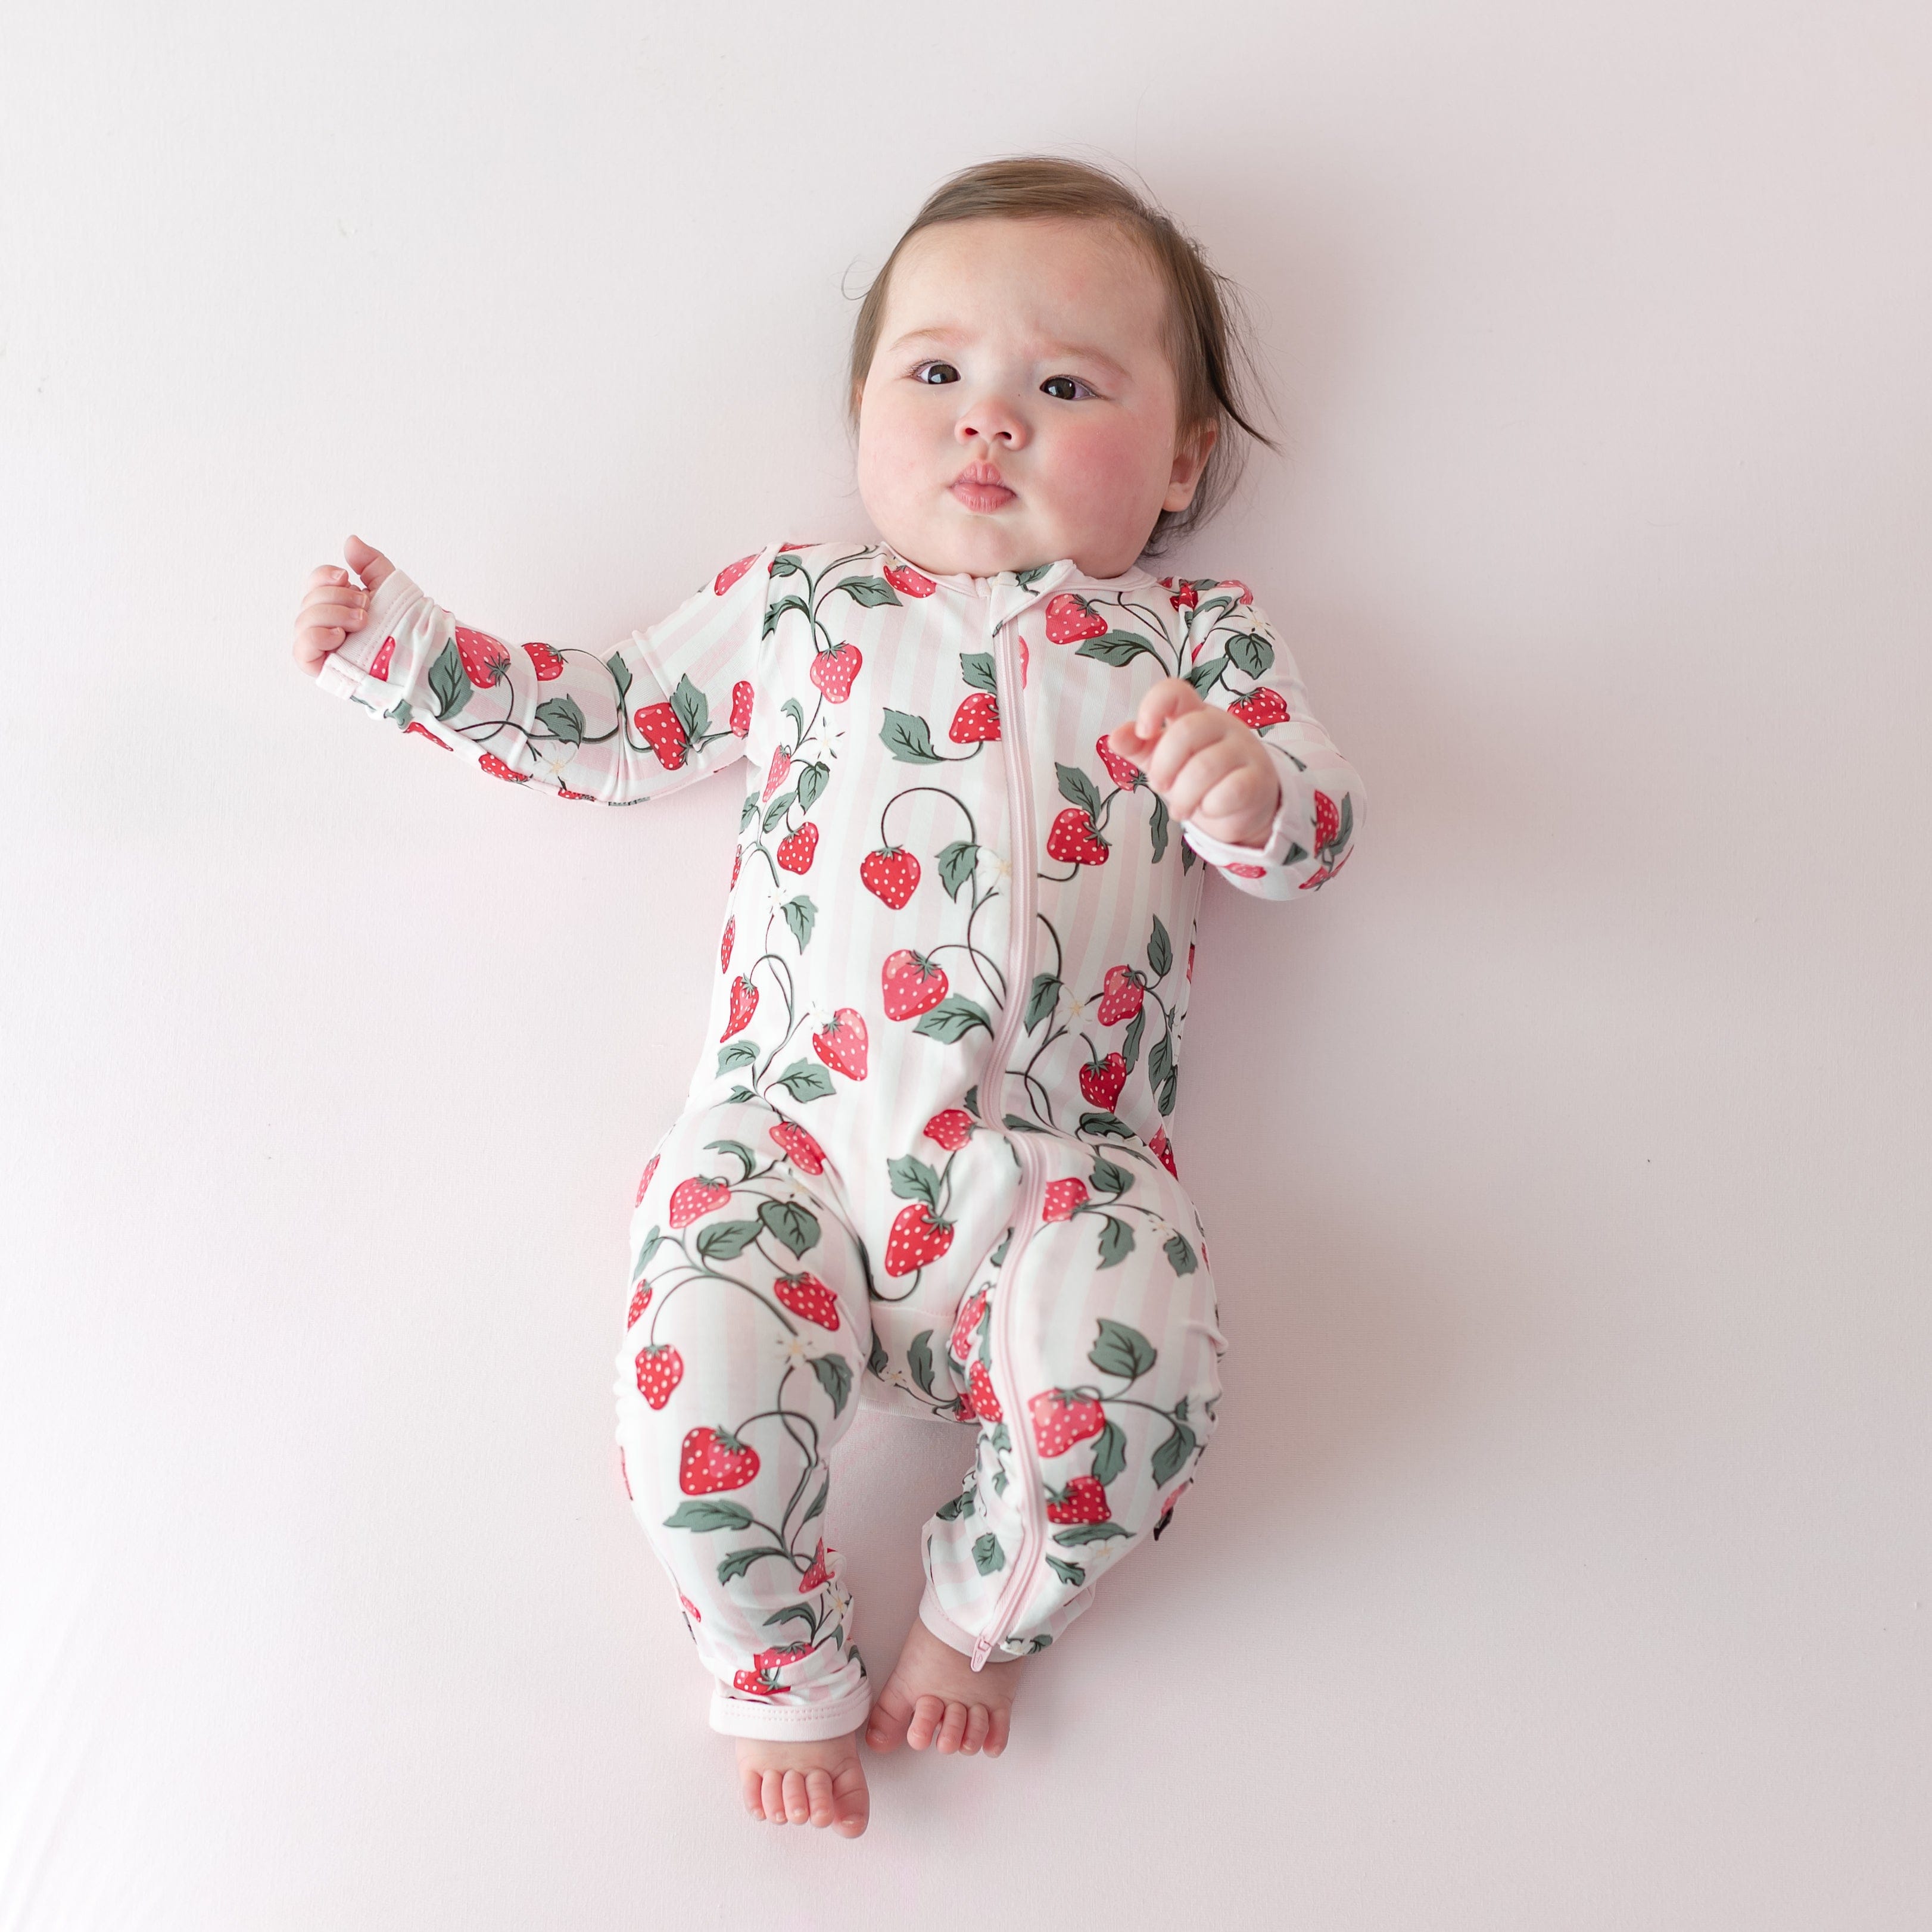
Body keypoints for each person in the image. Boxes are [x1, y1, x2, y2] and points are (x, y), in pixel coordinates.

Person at [291, 155, 1364, 1839]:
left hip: (1060, 1177)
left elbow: (1315, 823)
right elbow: (617, 719)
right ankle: (774, 1655)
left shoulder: (1196, 640)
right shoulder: (804, 605)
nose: (988, 419)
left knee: (1141, 1368)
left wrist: (1252, 795)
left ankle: (982, 1612)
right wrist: (412, 653)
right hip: (789, 1148)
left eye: (1063, 387)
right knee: (692, 1386)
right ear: (864, 411)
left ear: (1178, 460)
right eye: (935, 372)